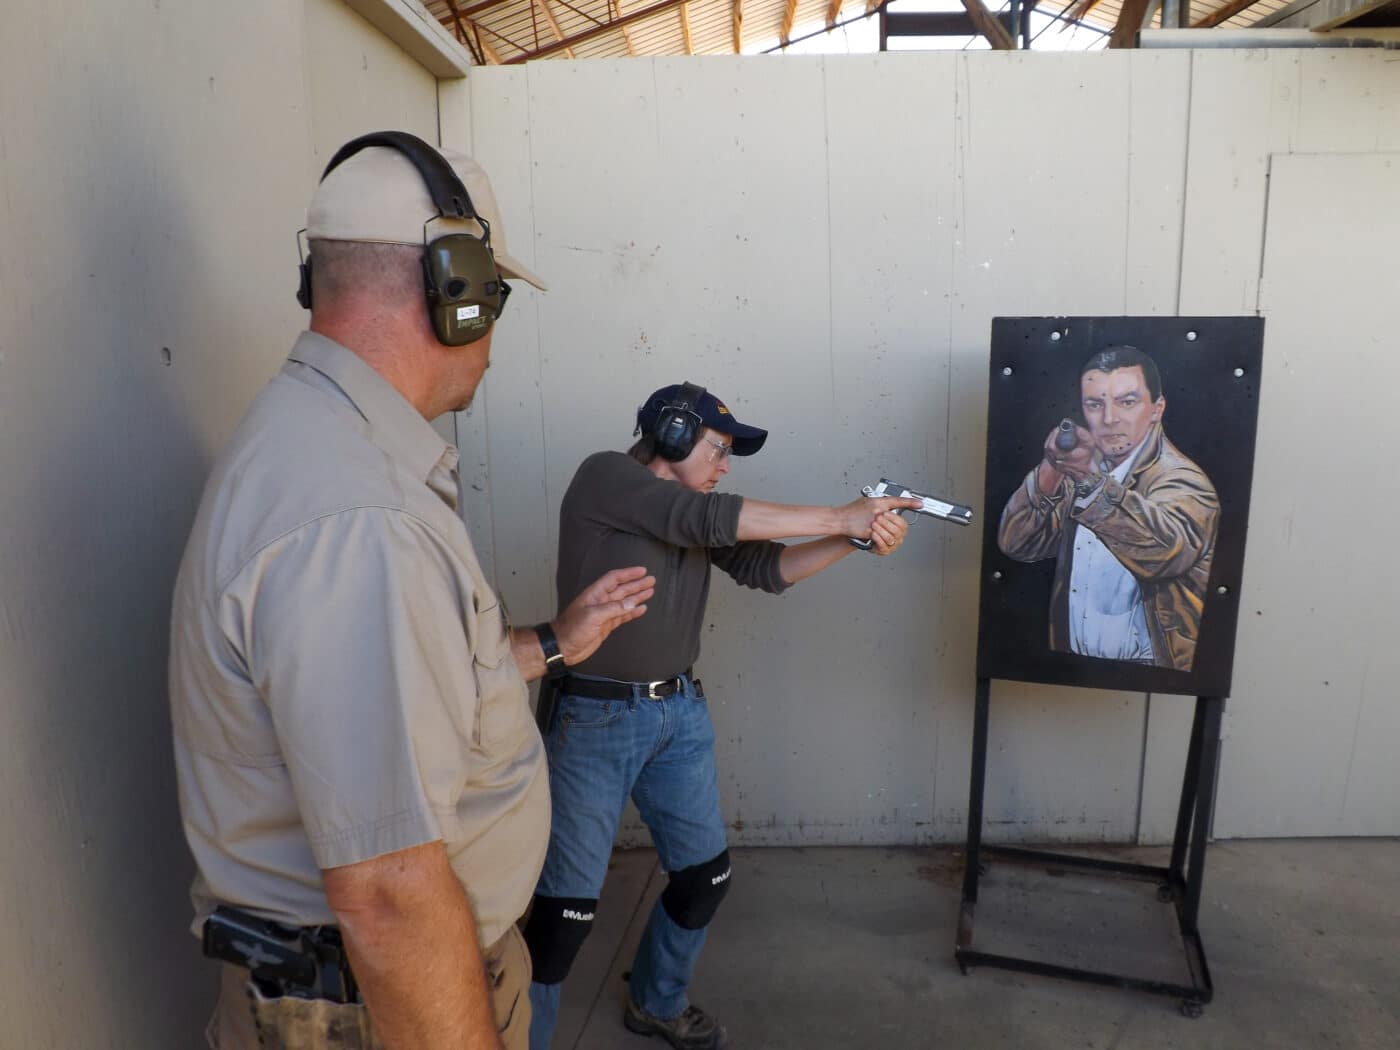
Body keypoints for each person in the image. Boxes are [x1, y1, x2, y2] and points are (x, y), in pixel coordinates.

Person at [169, 132, 655, 1050]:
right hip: (380, 1005)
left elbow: (414, 689)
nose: (496, 325)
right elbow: (390, 897)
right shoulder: (359, 518)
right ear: (454, 289)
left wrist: (552, 642)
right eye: (495, 294)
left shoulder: (318, 447)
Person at [522, 382, 922, 1050]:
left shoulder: (698, 508)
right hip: (594, 720)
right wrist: (842, 515)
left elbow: (771, 569)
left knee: (704, 877)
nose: (725, 464)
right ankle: (516, 1037)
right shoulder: (608, 478)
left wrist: (855, 539)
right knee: (564, 915)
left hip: (677, 715)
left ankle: (657, 1002)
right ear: (672, 437)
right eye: (717, 448)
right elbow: (707, 520)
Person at [997, 345, 1219, 671]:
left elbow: (1164, 553)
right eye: (1095, 404)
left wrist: (1088, 478)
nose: (1109, 418)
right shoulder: (1086, 467)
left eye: (1127, 402)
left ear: (1157, 409)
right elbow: (1016, 543)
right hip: (1073, 661)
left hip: (1150, 671)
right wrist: (1052, 468)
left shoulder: (1183, 480)